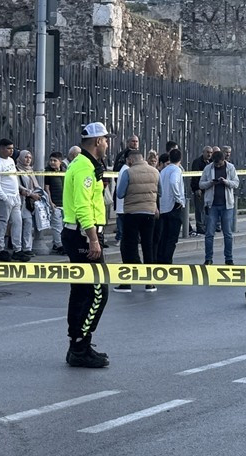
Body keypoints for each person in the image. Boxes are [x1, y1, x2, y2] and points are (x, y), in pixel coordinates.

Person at [61, 122, 111, 368]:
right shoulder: (83, 168)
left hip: (80, 233)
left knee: (82, 291)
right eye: (105, 139)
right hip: (83, 235)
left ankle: (78, 345)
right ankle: (80, 346)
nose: (107, 143)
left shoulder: (86, 165)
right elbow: (82, 206)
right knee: (98, 292)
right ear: (97, 142)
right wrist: (93, 238)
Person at [114, 147, 160, 291]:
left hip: (132, 214)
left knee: (130, 247)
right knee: (148, 246)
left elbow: (120, 194)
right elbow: (161, 192)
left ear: (131, 160)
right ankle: (150, 282)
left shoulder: (128, 172)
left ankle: (127, 282)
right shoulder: (155, 172)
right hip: (149, 213)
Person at [200, 148, 239, 265]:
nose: (217, 166)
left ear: (223, 160)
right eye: (215, 164)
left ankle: (229, 258)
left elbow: (236, 183)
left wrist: (226, 182)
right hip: (212, 205)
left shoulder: (230, 168)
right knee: (209, 234)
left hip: (227, 205)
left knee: (227, 233)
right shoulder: (208, 168)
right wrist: (210, 183)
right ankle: (208, 258)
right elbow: (201, 184)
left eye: (220, 164)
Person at [0, 139, 21, 261]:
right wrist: (3, 198)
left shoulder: (12, 161)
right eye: (8, 148)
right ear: (1, 148)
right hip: (4, 198)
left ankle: (17, 249)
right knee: (2, 224)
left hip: (15, 197)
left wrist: (17, 193)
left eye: (12, 148)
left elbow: (14, 179)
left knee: (17, 223)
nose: (11, 151)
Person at [157, 147, 186, 264]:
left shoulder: (163, 171)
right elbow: (174, 182)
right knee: (172, 237)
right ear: (180, 159)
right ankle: (167, 260)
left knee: (163, 236)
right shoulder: (176, 170)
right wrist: (179, 199)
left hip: (163, 206)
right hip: (173, 206)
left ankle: (160, 258)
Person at [16, 149, 41, 262]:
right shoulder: (17, 169)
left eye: (30, 158)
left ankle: (27, 248)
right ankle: (18, 248)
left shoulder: (30, 170)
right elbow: (18, 186)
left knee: (28, 223)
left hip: (30, 201)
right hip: (21, 200)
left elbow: (36, 185)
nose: (27, 160)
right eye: (26, 157)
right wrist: (30, 193)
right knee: (20, 223)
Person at [45, 152, 66, 254]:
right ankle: (59, 246)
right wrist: (50, 202)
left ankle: (57, 243)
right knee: (57, 226)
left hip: (65, 204)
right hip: (55, 204)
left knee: (64, 226)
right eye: (51, 160)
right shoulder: (48, 172)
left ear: (60, 161)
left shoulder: (65, 171)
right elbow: (47, 188)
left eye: (55, 160)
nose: (52, 163)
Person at [189, 145, 212, 236]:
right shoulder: (197, 162)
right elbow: (195, 177)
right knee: (199, 209)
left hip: (209, 189)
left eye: (210, 153)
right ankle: (200, 227)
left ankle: (207, 226)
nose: (209, 154)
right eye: (207, 152)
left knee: (208, 209)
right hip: (200, 189)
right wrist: (196, 189)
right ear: (203, 152)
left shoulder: (211, 162)